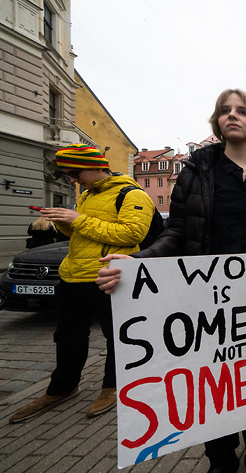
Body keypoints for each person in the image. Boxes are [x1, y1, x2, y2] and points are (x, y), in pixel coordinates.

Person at [95, 89, 246, 473]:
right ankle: (220, 455)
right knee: (214, 376)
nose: (232, 115)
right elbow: (176, 231)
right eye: (224, 111)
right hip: (207, 300)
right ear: (217, 122)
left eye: (241, 110)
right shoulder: (197, 173)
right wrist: (137, 263)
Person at [10, 144, 154, 424]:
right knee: (67, 336)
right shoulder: (87, 195)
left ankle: (112, 387)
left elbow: (133, 233)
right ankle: (62, 388)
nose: (73, 180)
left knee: (118, 337)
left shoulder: (132, 193)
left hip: (110, 275)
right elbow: (83, 232)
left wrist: (79, 219)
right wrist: (63, 221)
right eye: (68, 175)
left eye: (75, 173)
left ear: (95, 165)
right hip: (73, 274)